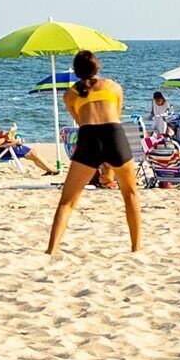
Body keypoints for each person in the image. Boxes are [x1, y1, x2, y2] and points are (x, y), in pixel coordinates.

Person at [45, 50, 144, 253]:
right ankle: (136, 247)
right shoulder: (114, 87)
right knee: (130, 194)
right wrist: (109, 163)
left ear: (76, 71)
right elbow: (116, 115)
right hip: (114, 135)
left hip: (89, 136)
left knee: (67, 202)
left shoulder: (69, 94)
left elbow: (80, 120)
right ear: (97, 66)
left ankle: (51, 250)